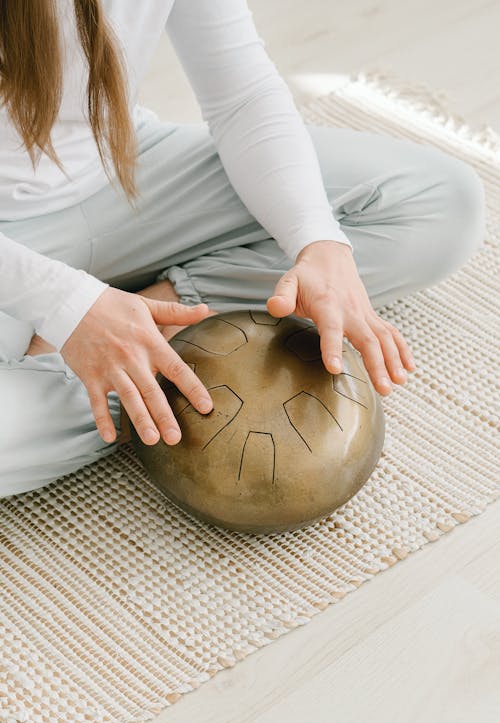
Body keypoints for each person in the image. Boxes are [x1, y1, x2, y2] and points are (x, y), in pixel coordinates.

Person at [0, 0, 486, 498]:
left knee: (442, 203)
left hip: (131, 169)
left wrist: (318, 241)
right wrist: (66, 305)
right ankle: (133, 369)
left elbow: (241, 95)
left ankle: (159, 322)